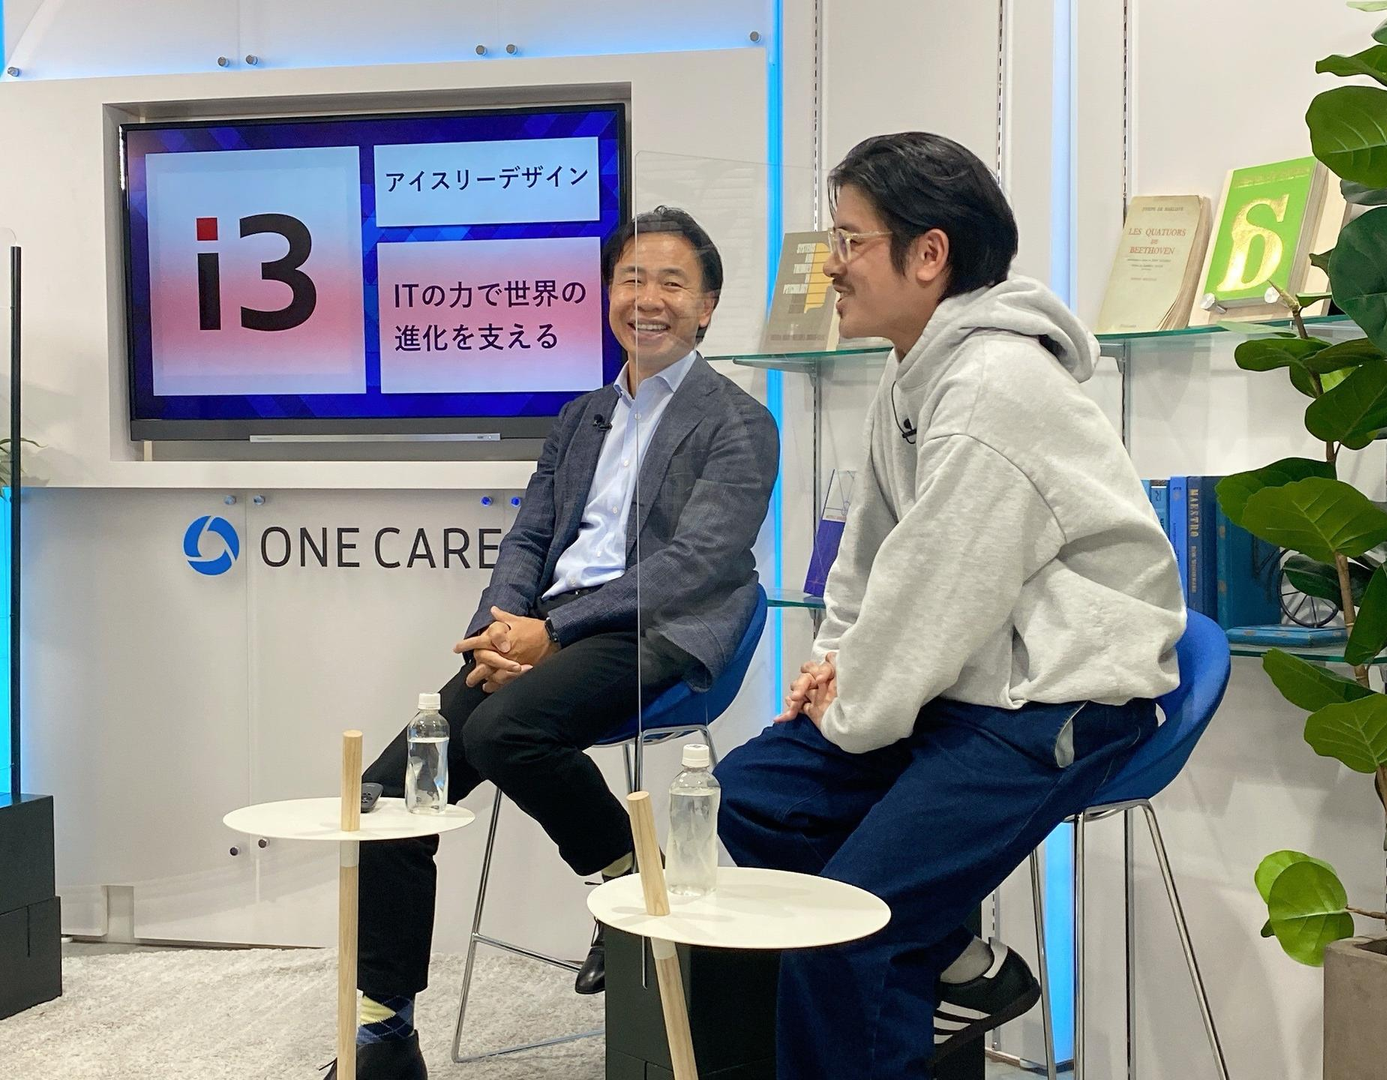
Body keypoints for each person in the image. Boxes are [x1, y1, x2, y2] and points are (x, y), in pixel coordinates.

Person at [715, 133, 1186, 1080]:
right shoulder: (914, 368)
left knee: (846, 935)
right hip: (967, 677)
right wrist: (833, 667)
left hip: (1058, 693)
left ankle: (894, 975)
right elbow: (872, 554)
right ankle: (960, 971)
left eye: (850, 241)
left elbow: (940, 584)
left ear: (928, 254)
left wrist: (853, 706)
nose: (831, 265)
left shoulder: (993, 387)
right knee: (756, 795)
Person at [328, 206, 780, 1080]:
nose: (647, 299)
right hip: (544, 632)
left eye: (672, 283)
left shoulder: (739, 421)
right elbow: (529, 540)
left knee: (507, 731)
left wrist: (553, 632)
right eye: (631, 279)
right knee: (386, 799)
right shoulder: (580, 417)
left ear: (707, 307)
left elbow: (697, 562)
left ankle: (625, 883)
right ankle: (385, 1035)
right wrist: (498, 630)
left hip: (652, 628)